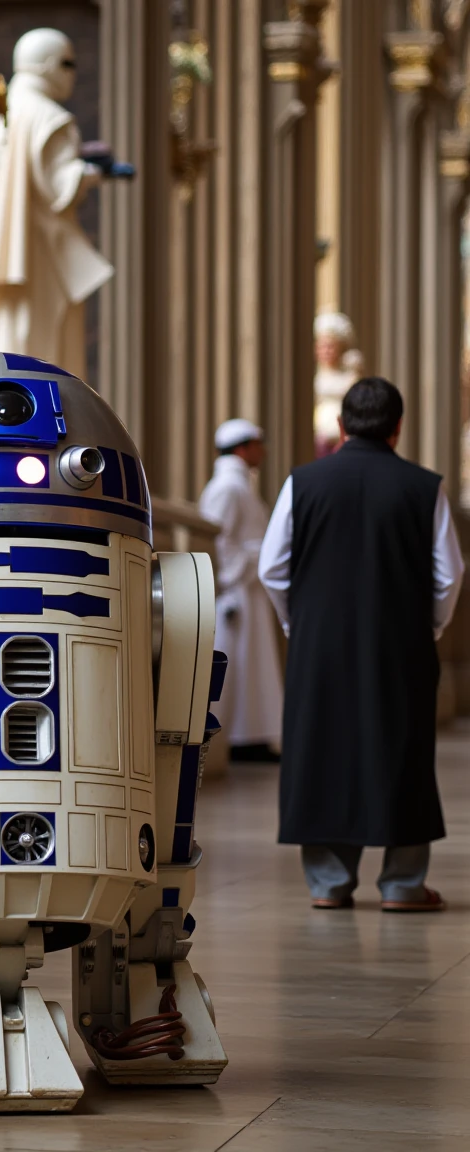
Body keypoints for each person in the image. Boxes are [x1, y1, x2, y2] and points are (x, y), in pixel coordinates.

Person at [258, 378, 465, 912]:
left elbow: (272, 567)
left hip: (319, 641)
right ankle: (402, 884)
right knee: (403, 749)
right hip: (401, 641)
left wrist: (295, 622)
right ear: (398, 427)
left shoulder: (303, 483)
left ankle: (330, 882)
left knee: (322, 748)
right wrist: (431, 627)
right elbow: (449, 576)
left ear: (341, 426)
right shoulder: (425, 487)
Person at [0, 28, 128, 380]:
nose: (72, 74)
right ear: (44, 66)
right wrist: (94, 173)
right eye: (66, 63)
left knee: (5, 343)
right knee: (44, 354)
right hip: (40, 255)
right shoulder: (51, 118)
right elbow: (58, 187)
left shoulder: (1, 119)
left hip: (5, 255)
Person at [199, 419, 283, 763]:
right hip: (237, 592)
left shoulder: (239, 485)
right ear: (242, 448)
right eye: (258, 444)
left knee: (252, 667)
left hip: (249, 588)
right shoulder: (227, 488)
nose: (262, 452)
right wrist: (244, 569)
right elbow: (217, 540)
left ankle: (251, 736)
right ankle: (236, 738)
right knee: (237, 667)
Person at [314, 310, 362, 457]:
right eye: (322, 346)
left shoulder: (350, 375)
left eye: (331, 346)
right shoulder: (315, 375)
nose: (326, 351)